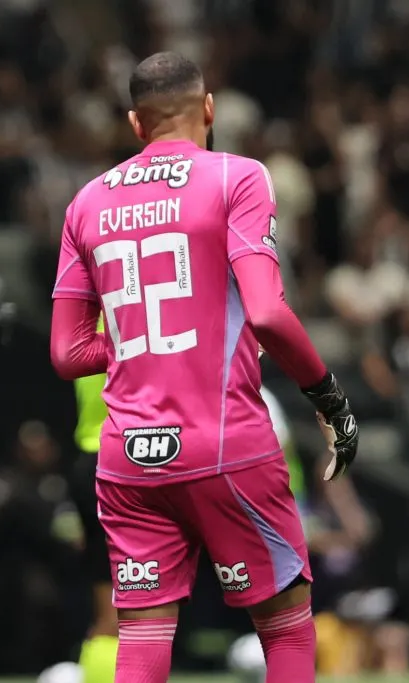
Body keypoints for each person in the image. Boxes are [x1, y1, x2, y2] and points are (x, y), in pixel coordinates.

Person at [49, 52, 359, 683]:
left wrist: (140, 341)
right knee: (286, 627)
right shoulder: (237, 178)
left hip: (128, 454)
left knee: (142, 631)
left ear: (136, 123)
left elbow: (67, 354)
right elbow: (269, 315)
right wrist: (330, 400)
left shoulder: (86, 201)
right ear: (209, 108)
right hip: (224, 442)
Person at [68, 325, 119, 683]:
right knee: (122, 610)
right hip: (117, 460)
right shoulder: (127, 313)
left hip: (95, 460)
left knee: (112, 603)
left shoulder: (85, 322)